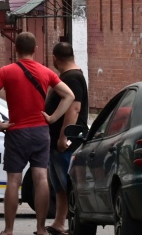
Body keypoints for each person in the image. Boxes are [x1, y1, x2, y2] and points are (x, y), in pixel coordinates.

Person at [0, 32, 76, 235]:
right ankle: (41, 228)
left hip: (16, 131)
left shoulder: (5, 71)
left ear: (15, 49)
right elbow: (69, 95)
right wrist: (52, 118)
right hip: (40, 132)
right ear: (35, 49)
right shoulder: (46, 72)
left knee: (13, 181)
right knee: (41, 178)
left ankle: (8, 230)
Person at [46, 41, 88, 235]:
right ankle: (59, 223)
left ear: (55, 58)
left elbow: (74, 108)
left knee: (68, 184)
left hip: (66, 142)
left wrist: (64, 136)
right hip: (57, 141)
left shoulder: (72, 78)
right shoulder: (72, 76)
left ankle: (75, 225)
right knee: (59, 187)